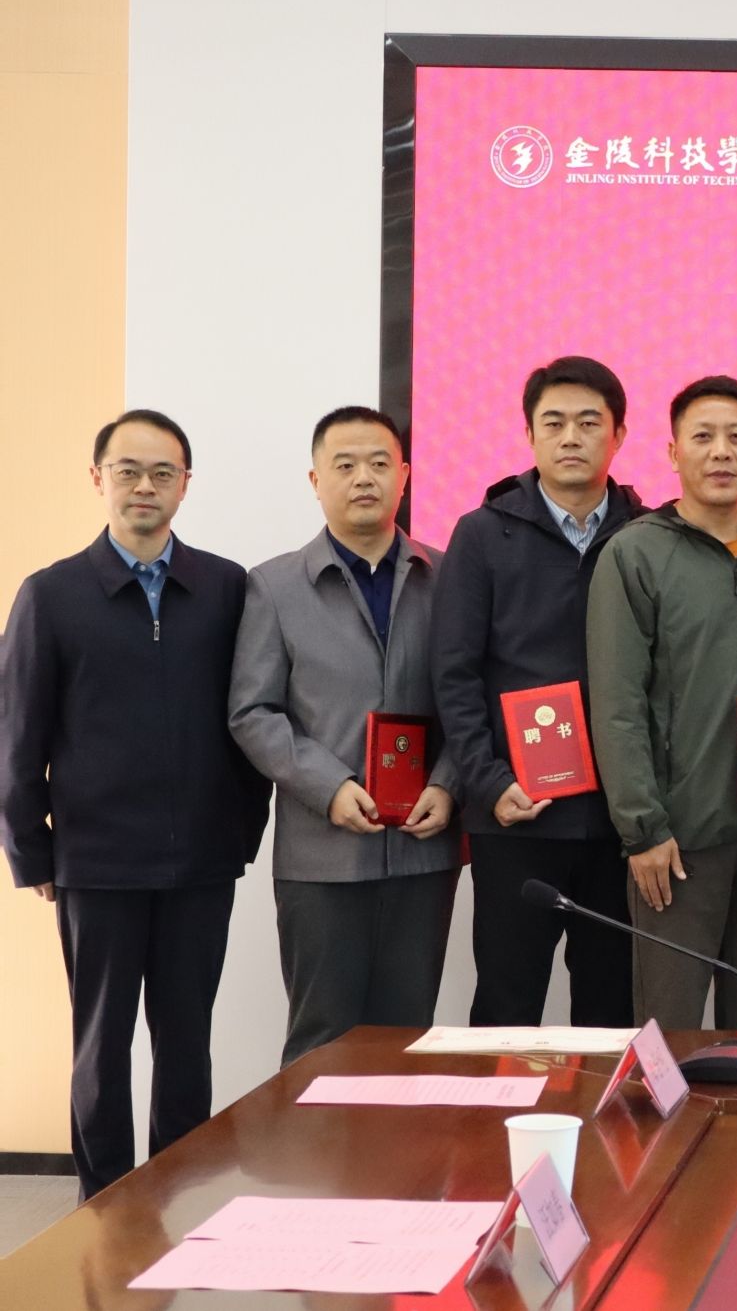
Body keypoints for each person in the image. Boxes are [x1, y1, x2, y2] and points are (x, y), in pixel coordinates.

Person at [0, 410, 270, 1198]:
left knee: (187, 1046)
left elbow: (251, 716)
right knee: (101, 1047)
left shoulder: (226, 587)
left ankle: (176, 1204)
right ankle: (106, 1206)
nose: (144, 486)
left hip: (201, 863)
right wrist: (33, 851)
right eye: (128, 470)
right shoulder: (51, 594)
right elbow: (17, 733)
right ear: (99, 479)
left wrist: (239, 833)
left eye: (162, 472)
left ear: (185, 484)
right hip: (97, 862)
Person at [229, 406, 461, 1066]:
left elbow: (469, 702)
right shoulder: (274, 586)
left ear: (405, 476)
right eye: (346, 464)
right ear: (315, 480)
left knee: (408, 1039)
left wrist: (449, 784)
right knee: (322, 1041)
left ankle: (400, 1145)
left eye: (380, 463)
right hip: (321, 858)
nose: (365, 478)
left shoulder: (447, 578)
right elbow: (253, 712)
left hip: (422, 851)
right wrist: (328, 786)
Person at [587, 375, 737, 1030]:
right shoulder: (634, 553)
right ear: (673, 451)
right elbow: (617, 703)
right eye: (704, 436)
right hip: (677, 840)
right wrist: (643, 829)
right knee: (671, 1029)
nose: (721, 451)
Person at [430, 356, 646, 1027]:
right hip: (516, 814)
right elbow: (455, 672)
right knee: (507, 1001)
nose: (571, 437)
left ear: (619, 434)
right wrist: (489, 781)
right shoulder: (481, 533)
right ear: (529, 435)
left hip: (619, 821)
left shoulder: (647, 534)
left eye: (589, 422)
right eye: (553, 423)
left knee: (612, 1007)